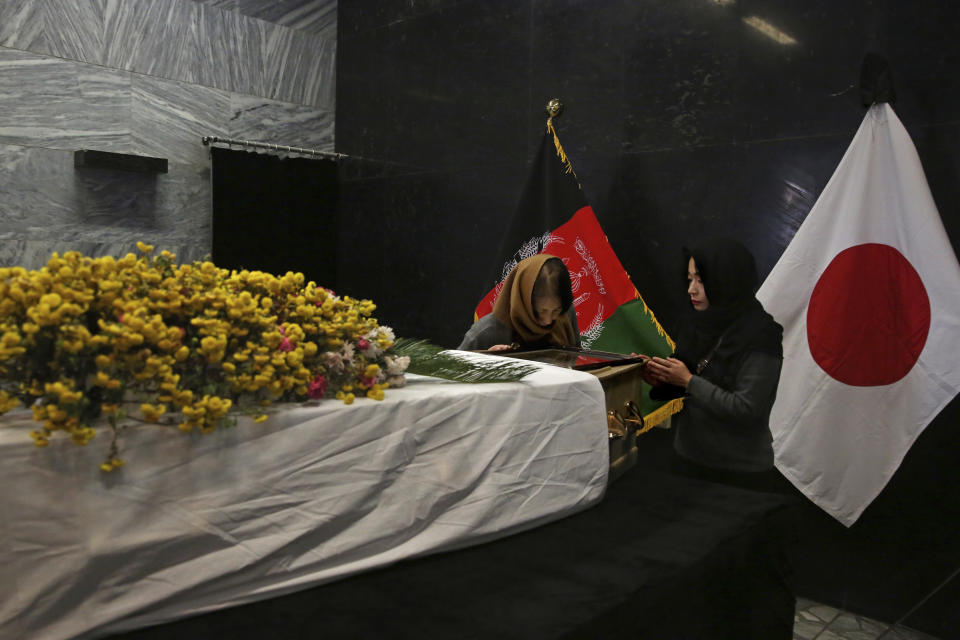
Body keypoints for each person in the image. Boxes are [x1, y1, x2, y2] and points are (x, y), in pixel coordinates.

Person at [642, 238, 785, 493]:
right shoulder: (696, 323)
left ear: (726, 280)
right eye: (689, 279)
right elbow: (689, 390)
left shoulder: (762, 336)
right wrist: (661, 377)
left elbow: (745, 409)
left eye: (701, 280)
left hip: (740, 477)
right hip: (687, 462)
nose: (691, 290)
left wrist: (687, 381)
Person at [458, 254, 581, 351]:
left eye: (556, 310)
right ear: (522, 302)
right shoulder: (485, 333)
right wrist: (485, 363)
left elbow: (579, 360)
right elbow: (450, 376)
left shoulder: (566, 314)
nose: (548, 321)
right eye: (540, 311)